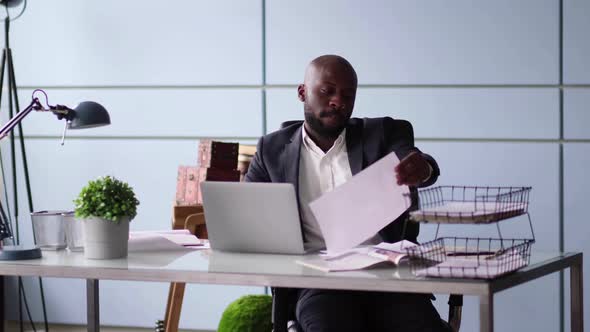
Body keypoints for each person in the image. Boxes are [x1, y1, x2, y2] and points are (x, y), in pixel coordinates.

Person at [245, 54, 446, 332]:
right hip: (319, 284)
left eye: (347, 95)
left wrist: (422, 168)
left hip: (389, 280)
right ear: (303, 93)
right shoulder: (271, 149)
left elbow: (416, 161)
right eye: (327, 91)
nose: (337, 101)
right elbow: (245, 212)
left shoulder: (384, 133)